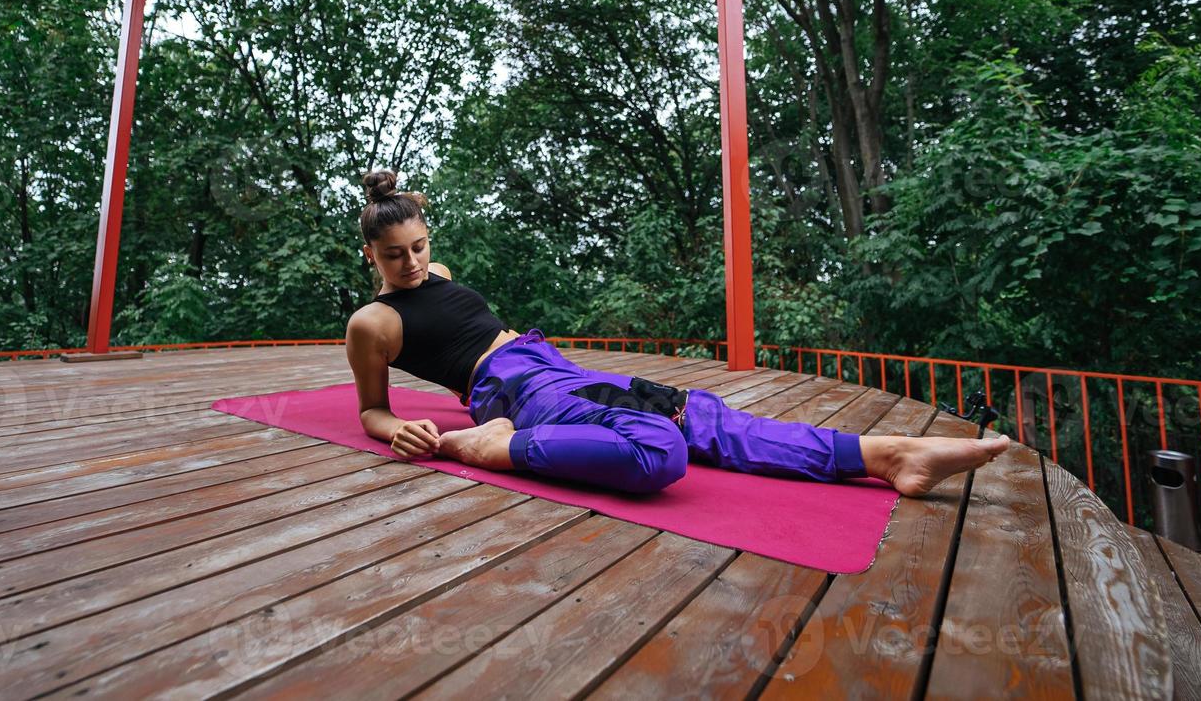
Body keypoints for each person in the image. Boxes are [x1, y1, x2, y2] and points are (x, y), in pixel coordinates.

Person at [345, 169, 1010, 497]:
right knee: (657, 450)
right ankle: (487, 448)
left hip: (551, 367)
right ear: (369, 256)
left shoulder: (439, 272)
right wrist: (396, 429)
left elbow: (466, 313)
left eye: (417, 247)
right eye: (394, 254)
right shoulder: (371, 322)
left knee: (701, 417)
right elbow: (372, 409)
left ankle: (884, 455)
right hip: (512, 392)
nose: (410, 263)